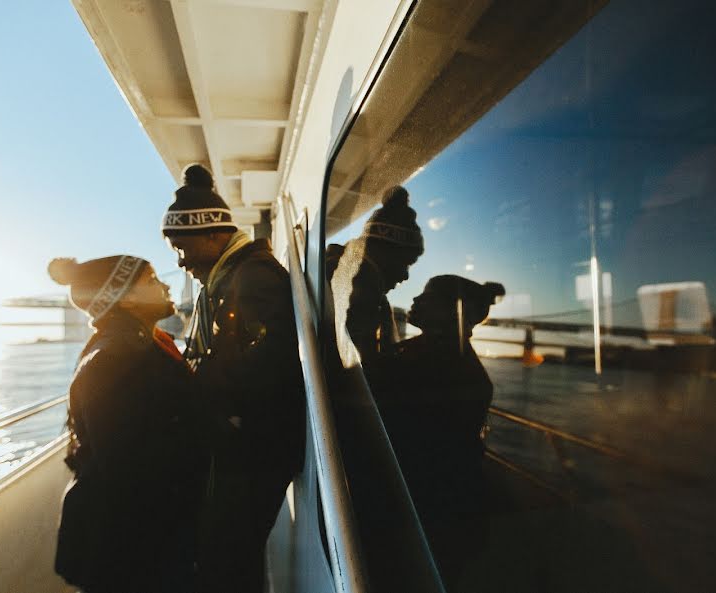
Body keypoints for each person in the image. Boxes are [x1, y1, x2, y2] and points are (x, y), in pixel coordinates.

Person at [161, 164, 305, 593]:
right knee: (226, 557)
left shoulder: (253, 278)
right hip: (243, 449)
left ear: (212, 235)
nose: (179, 260)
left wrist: (204, 389)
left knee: (226, 560)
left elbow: (270, 367)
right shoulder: (231, 278)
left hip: (252, 455)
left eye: (181, 246)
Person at [50, 255, 204, 593]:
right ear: (126, 298)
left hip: (143, 538)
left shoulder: (141, 347)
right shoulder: (113, 360)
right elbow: (125, 466)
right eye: (151, 279)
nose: (165, 284)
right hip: (132, 549)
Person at [372, 274, 504, 587]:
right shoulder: (430, 355)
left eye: (428, 296)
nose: (416, 300)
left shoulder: (439, 367)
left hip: (434, 513)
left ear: (452, 312)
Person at [328, 185, 424, 367]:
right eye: (406, 263)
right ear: (385, 252)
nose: (405, 276)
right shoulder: (361, 285)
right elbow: (364, 371)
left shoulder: (339, 270)